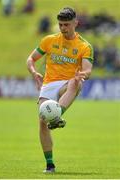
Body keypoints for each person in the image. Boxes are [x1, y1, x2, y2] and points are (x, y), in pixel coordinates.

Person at [27, 7, 93, 173]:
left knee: (75, 82)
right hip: (49, 83)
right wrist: (34, 72)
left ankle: (56, 116)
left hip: (69, 83)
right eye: (61, 25)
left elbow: (88, 70)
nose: (63, 28)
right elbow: (31, 59)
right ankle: (50, 165)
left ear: (75, 23)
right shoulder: (49, 40)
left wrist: (81, 74)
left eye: (66, 25)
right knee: (42, 122)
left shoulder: (84, 46)